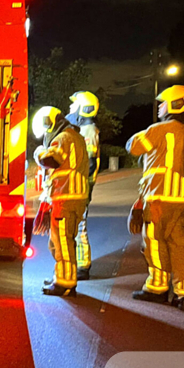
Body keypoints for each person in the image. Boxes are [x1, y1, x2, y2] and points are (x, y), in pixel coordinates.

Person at [126, 85, 184, 310]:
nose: (160, 106)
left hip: (160, 199)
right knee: (181, 245)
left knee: (154, 242)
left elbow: (133, 147)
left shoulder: (159, 130)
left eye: (163, 103)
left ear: (176, 104)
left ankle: (157, 287)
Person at [31, 105, 89, 296]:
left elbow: (51, 159)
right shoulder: (74, 137)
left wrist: (39, 152)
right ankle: (62, 275)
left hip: (66, 197)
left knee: (63, 242)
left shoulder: (63, 138)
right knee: (58, 241)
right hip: (71, 197)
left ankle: (65, 283)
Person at [66, 91, 101, 280]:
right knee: (76, 225)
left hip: (81, 187)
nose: (70, 108)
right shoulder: (83, 129)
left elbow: (88, 162)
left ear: (84, 108)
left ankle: (82, 266)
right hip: (79, 186)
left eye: (74, 105)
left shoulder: (88, 131)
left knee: (79, 225)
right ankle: (77, 263)